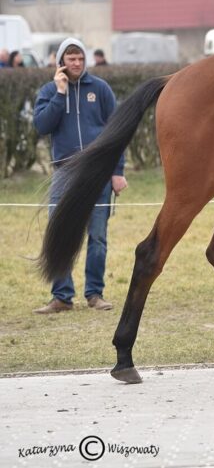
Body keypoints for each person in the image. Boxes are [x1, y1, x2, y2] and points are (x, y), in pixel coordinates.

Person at [32, 37, 128, 314]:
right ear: (61, 61)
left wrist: (117, 171)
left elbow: (118, 133)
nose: (76, 63)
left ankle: (95, 293)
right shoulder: (49, 90)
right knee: (60, 232)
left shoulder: (100, 89)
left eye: (80, 58)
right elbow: (42, 125)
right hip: (64, 174)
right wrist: (60, 94)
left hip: (98, 174)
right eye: (71, 58)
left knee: (97, 236)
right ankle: (61, 296)